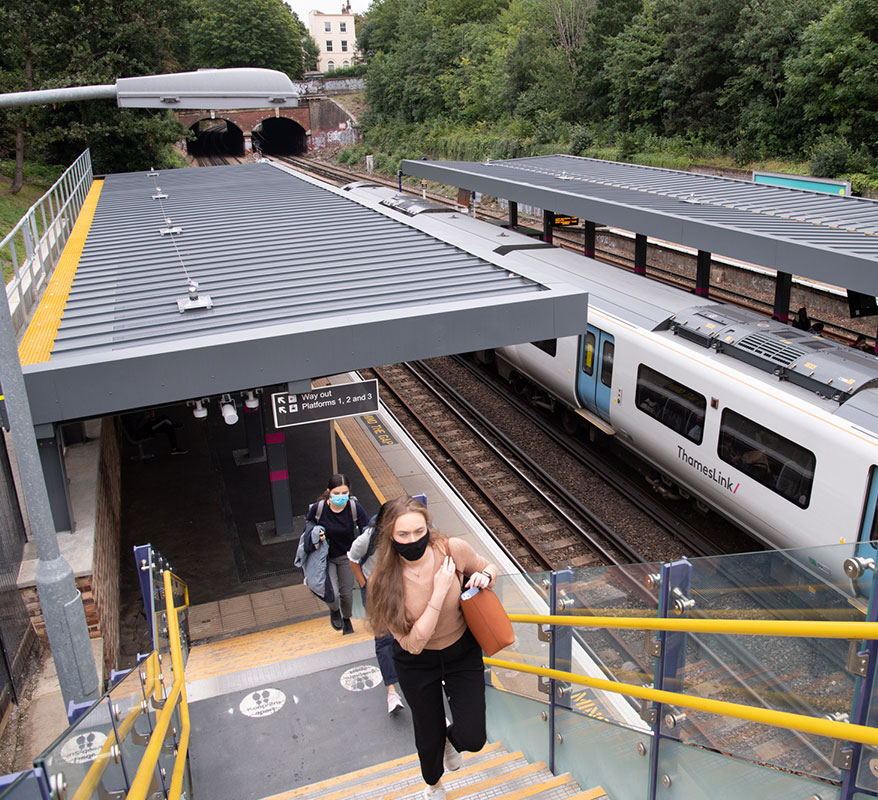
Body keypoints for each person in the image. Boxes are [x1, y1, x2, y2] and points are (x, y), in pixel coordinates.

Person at [367, 495, 499, 800]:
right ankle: (434, 785)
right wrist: (438, 594)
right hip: (417, 663)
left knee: (474, 736)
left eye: (418, 532)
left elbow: (488, 567)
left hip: (461, 651)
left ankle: (451, 740)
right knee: (428, 738)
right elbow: (413, 644)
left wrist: (485, 575)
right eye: (403, 534)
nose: (412, 540)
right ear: (390, 536)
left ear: (427, 528)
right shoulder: (382, 582)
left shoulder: (452, 550)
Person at [348, 502, 405, 715]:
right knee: (383, 638)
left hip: (401, 588)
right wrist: (364, 584)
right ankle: (392, 690)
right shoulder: (367, 540)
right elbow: (352, 558)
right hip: (375, 592)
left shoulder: (405, 535)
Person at [305, 473, 371, 634]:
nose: (341, 497)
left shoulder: (354, 508)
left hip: (346, 557)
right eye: (337, 493)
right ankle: (334, 610)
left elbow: (367, 529)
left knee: (347, 594)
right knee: (331, 593)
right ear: (329, 492)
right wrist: (316, 533)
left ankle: (346, 618)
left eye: (344, 493)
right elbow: (309, 523)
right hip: (325, 557)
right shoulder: (319, 508)